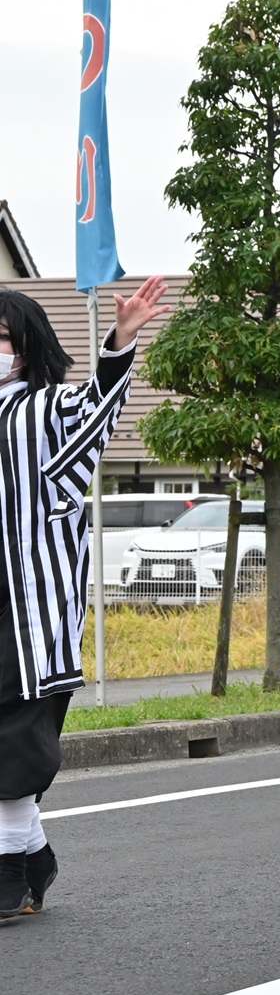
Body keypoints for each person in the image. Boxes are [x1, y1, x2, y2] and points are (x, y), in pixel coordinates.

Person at [0, 279, 167, 919]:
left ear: (26, 346)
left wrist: (121, 339)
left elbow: (99, 404)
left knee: (18, 734)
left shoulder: (46, 408)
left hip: (32, 610)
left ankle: (11, 872)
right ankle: (33, 854)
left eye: (3, 338)